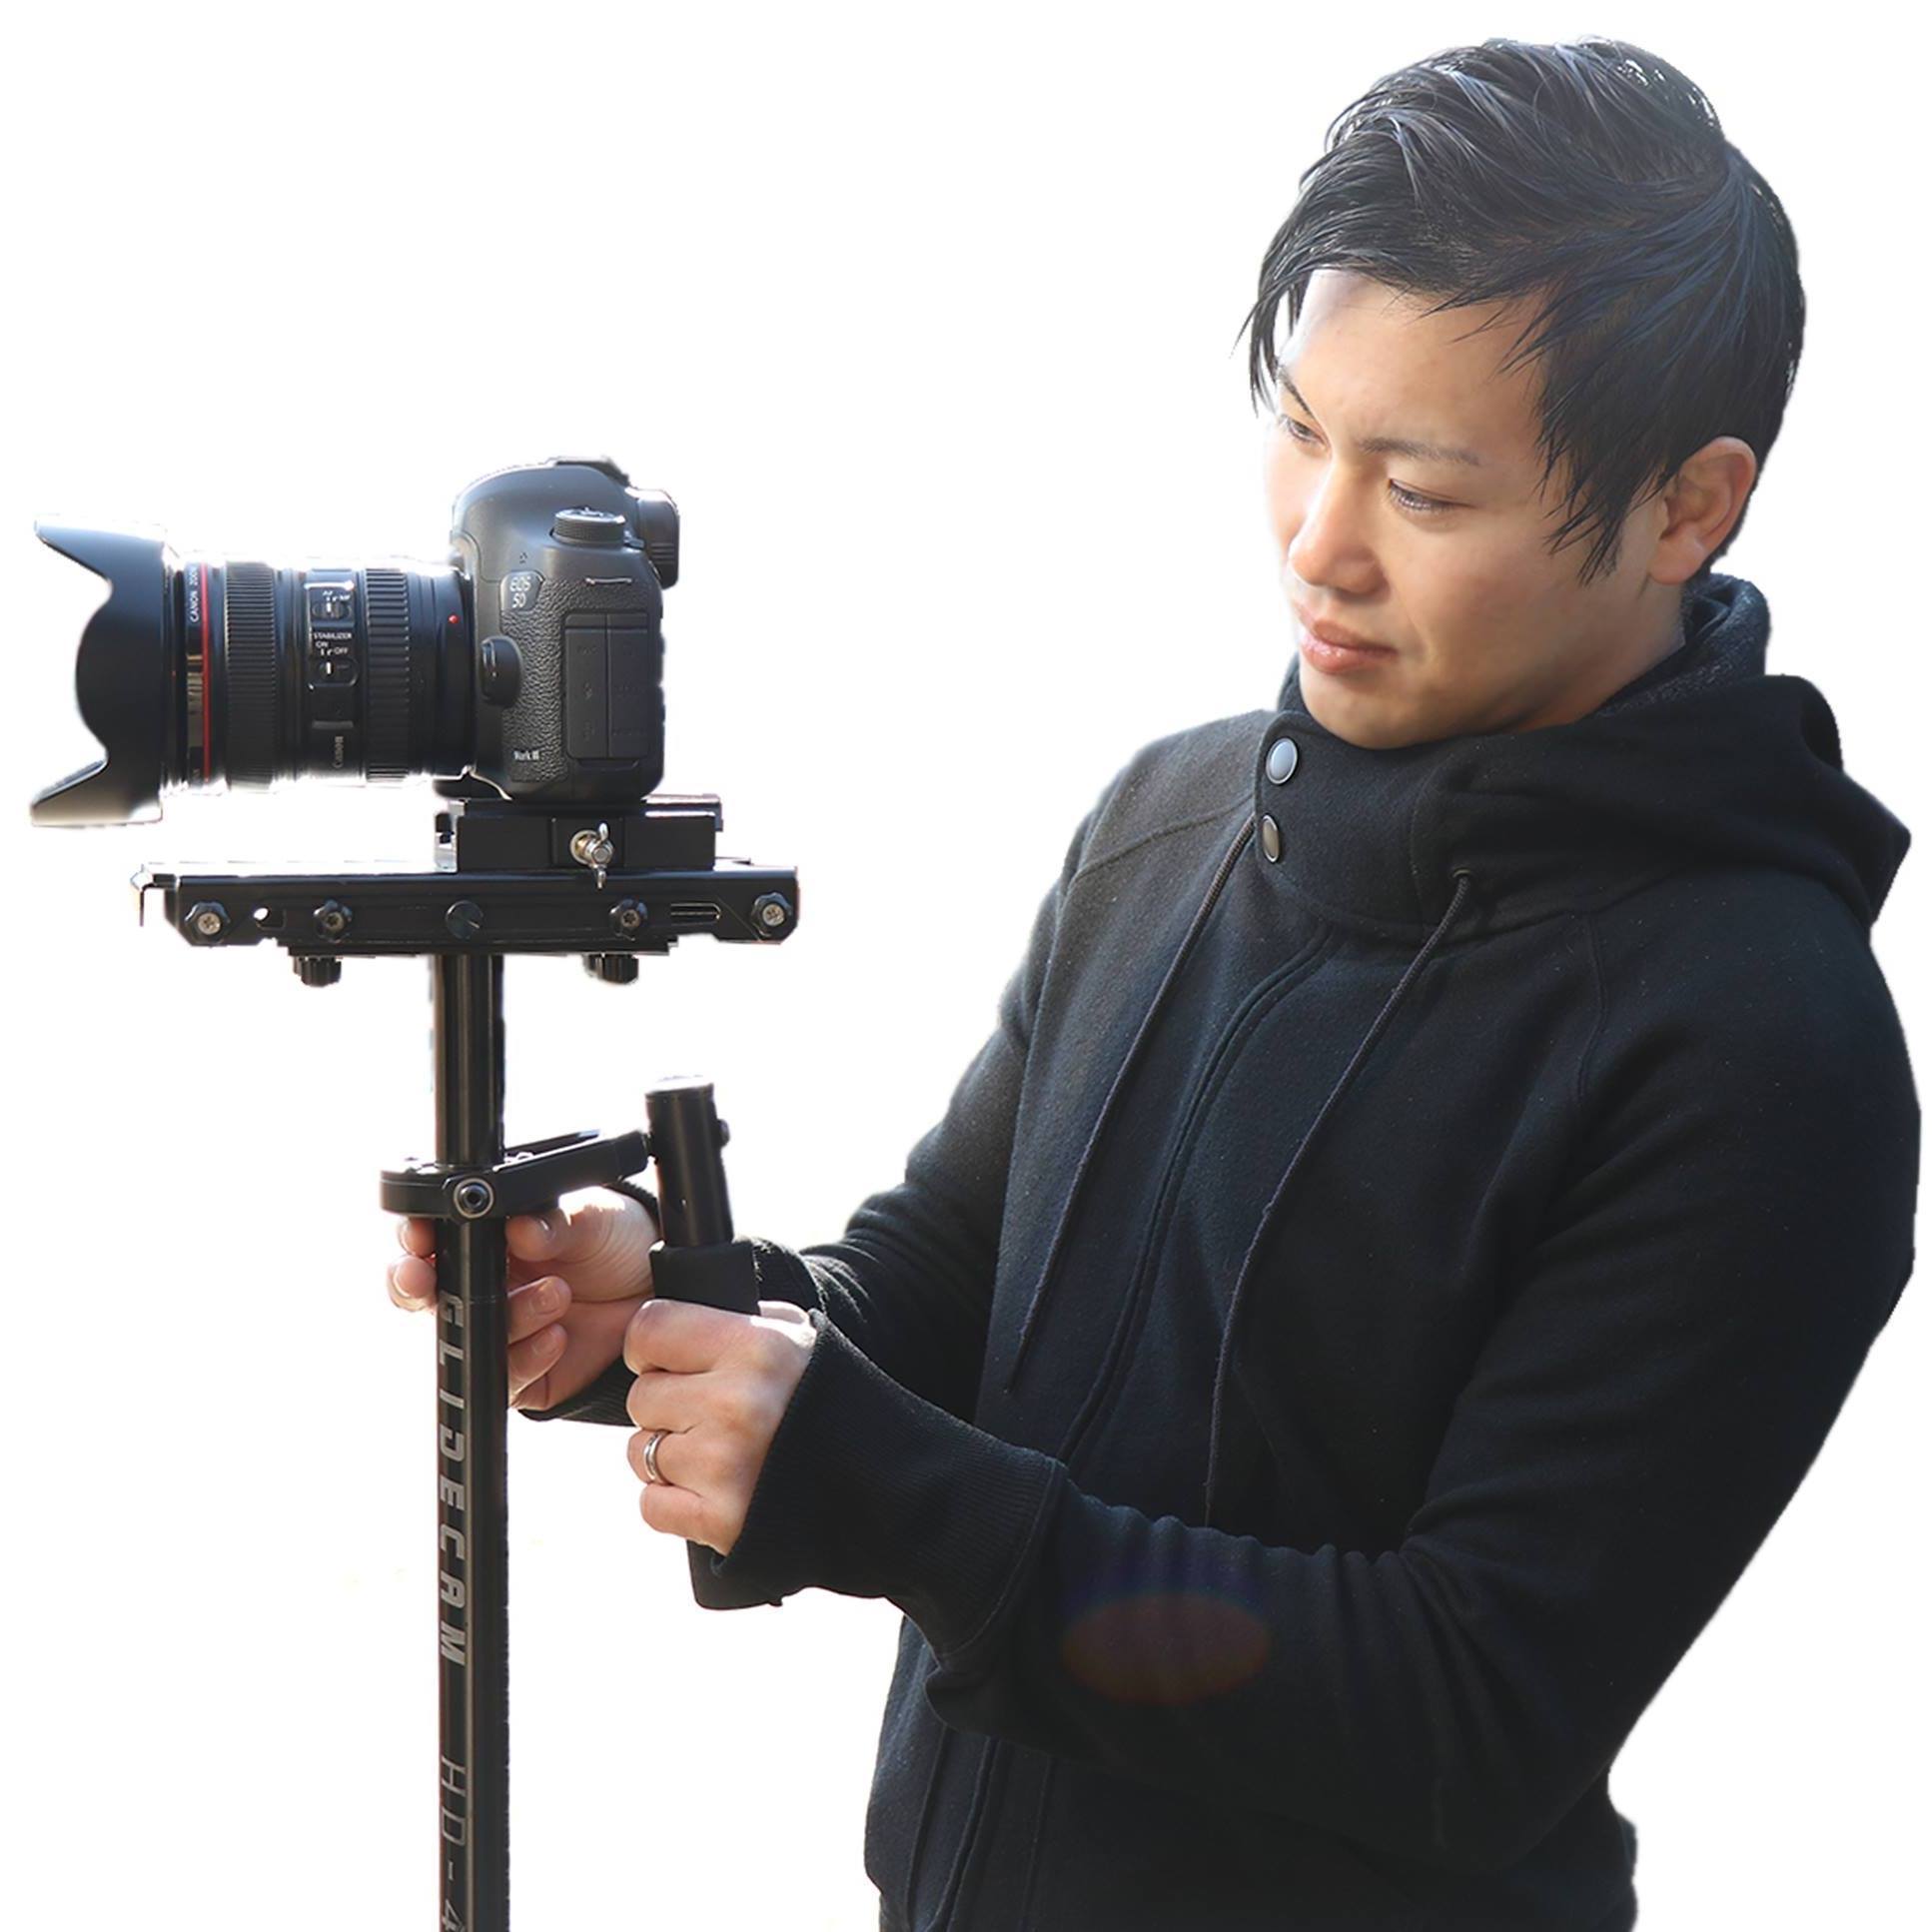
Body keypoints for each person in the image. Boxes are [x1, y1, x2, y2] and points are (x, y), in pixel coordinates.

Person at [387, 36, 1920, 1931]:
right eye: (1302, 430)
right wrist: (664, 1316)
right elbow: (945, 1297)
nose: (1318, 542)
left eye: (1423, 491)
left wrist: (882, 1487)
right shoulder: (1172, 818)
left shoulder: (1758, 1039)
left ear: (1688, 506)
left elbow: (1463, 1708)